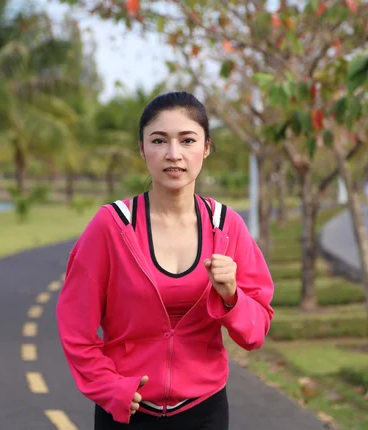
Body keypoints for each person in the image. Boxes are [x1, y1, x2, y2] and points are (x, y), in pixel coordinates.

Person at [56, 91, 275, 430]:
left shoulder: (227, 226)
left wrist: (232, 295)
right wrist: (110, 387)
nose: (174, 154)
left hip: (205, 412)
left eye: (187, 140)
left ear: (206, 147)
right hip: (127, 413)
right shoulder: (112, 225)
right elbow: (75, 328)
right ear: (143, 149)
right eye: (159, 140)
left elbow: (256, 331)